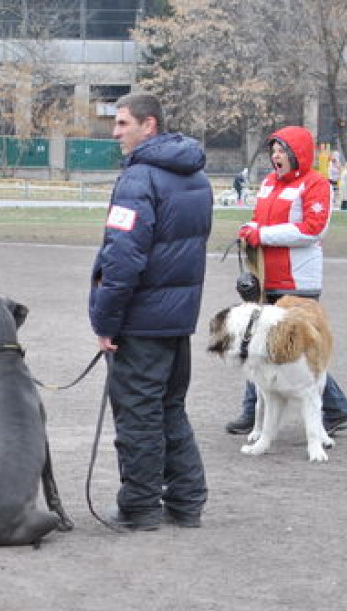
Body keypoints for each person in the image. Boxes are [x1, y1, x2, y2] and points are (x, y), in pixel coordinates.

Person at [89, 91, 212, 531]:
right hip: (177, 319)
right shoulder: (195, 175)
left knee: (139, 415)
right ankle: (187, 502)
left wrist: (105, 321)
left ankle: (141, 507)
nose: (115, 132)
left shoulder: (139, 178)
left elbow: (122, 259)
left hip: (141, 321)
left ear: (149, 125)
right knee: (169, 408)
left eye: (123, 123)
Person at [224, 125, 347, 435]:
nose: (275, 156)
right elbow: (261, 220)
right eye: (274, 150)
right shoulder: (269, 182)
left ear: (298, 154)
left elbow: (313, 229)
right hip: (267, 276)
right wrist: (249, 229)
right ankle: (252, 410)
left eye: (282, 150)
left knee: (296, 347)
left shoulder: (316, 184)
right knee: (259, 343)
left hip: (297, 281)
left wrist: (262, 234)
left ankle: (335, 408)